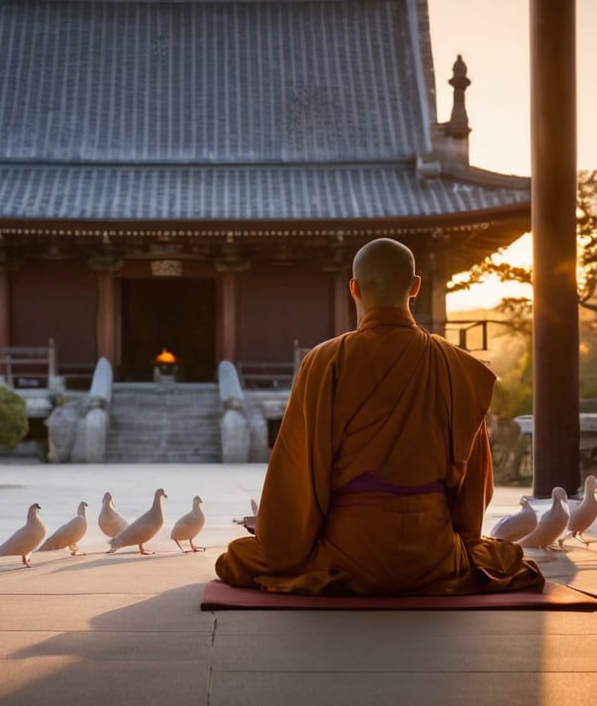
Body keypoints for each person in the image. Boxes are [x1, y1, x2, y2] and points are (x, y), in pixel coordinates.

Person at [216, 237, 544, 596]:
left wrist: (282, 540)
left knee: (238, 558)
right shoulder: (457, 365)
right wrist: (463, 542)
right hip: (433, 554)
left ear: (353, 288)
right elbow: (475, 482)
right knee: (505, 556)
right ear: (416, 285)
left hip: (349, 552)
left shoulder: (325, 362)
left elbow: (296, 476)